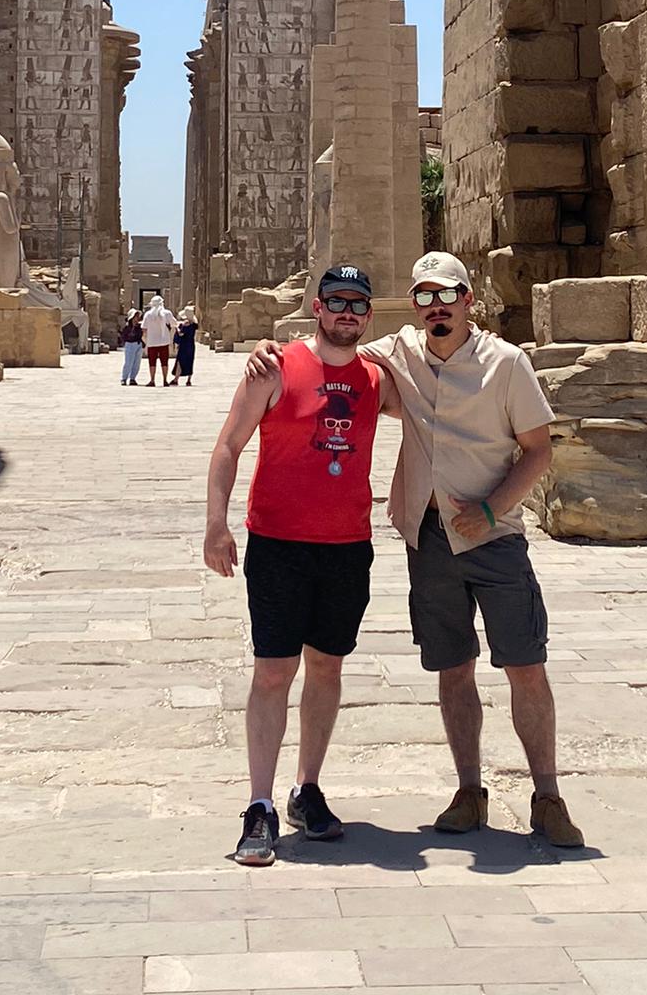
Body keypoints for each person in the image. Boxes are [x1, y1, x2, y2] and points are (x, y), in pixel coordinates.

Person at [247, 250, 583, 849]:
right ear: (413, 307)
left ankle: (548, 795)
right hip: (430, 537)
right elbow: (333, 351)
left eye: (446, 295)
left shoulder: (507, 363)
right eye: (424, 297)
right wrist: (272, 350)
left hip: (494, 536)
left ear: (467, 301)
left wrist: (491, 510)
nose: (436, 307)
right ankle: (469, 790)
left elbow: (539, 450)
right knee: (453, 668)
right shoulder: (399, 354)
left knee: (525, 665)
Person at [205, 264, 400, 867]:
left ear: (369, 315)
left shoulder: (377, 379)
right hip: (279, 542)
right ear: (317, 307)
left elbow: (442, 386)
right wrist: (215, 523)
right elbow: (229, 444)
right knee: (273, 670)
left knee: (327, 666)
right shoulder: (275, 367)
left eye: (358, 304)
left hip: (347, 544)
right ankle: (259, 803)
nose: (347, 312)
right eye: (337, 300)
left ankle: (306, 789)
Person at [141, 294, 177, 386]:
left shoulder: (148, 315)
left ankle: (152, 380)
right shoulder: (167, 313)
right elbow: (174, 323)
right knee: (164, 362)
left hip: (152, 342)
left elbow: (144, 329)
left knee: (152, 362)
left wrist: (145, 340)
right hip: (164, 341)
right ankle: (165, 380)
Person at [171, 306, 198, 387]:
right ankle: (188, 380)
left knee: (180, 361)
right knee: (190, 361)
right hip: (191, 345)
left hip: (184, 345)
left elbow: (181, 334)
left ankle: (176, 379)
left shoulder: (186, 325)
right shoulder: (194, 325)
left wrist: (177, 329)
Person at [120, 308, 144, 386]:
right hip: (130, 344)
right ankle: (124, 378)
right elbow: (124, 336)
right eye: (135, 317)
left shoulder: (139, 327)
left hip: (138, 344)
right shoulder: (127, 327)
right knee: (128, 362)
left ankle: (133, 378)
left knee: (136, 363)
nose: (136, 318)